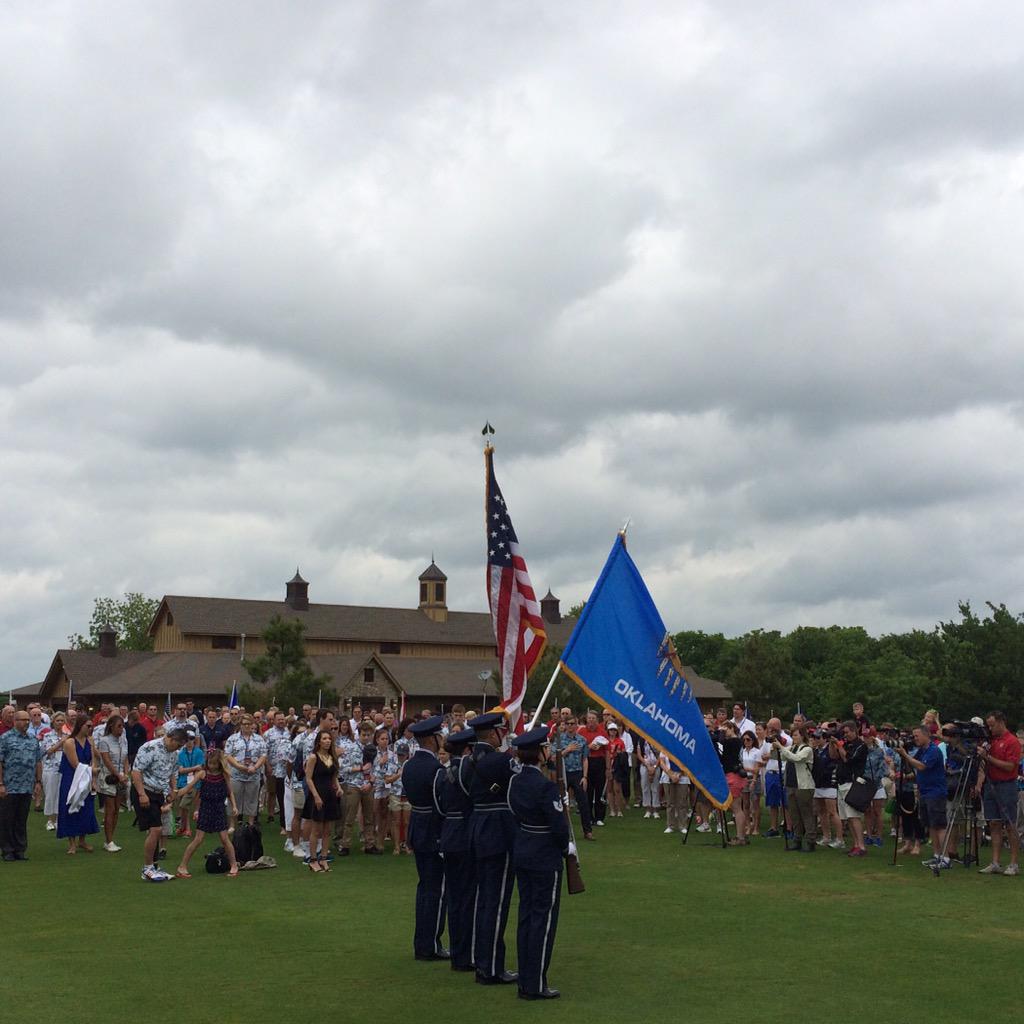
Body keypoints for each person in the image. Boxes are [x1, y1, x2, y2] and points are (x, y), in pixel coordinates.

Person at [508, 725, 572, 1001]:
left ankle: (526, 976)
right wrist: (564, 847)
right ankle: (534, 983)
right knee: (543, 920)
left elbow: (513, 812)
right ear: (540, 753)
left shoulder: (515, 782)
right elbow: (558, 827)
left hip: (523, 850)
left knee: (526, 916)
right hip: (545, 854)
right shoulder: (545, 786)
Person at [461, 711, 518, 985]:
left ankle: (481, 958)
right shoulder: (502, 761)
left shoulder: (465, 762)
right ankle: (491, 967)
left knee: (483, 900)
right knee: (496, 903)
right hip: (498, 831)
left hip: (476, 828)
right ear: (494, 733)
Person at [402, 715, 448, 961]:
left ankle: (422, 942)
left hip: (418, 827)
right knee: (436, 890)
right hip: (433, 830)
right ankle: (429, 944)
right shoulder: (436, 769)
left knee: (425, 887)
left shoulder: (409, 765)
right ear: (432, 739)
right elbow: (441, 806)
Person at [435, 727, 477, 971]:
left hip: (449, 834)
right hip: (465, 834)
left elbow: (440, 805)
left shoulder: (444, 772)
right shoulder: (468, 771)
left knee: (454, 897)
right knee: (467, 897)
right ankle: (465, 955)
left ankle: (458, 952)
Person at [132, 725, 189, 882]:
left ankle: (154, 866)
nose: (178, 748)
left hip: (159, 792)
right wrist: (141, 794)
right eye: (178, 745)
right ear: (171, 738)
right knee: (156, 829)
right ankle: (147, 868)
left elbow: (173, 772)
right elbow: (136, 771)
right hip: (145, 790)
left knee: (156, 829)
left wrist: (174, 789)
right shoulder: (150, 747)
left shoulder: (174, 753)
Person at [175, 748, 239, 879]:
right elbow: (188, 787)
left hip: (219, 808)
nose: (212, 766)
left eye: (215, 763)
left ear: (219, 764)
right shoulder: (202, 774)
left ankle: (234, 865)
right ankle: (182, 866)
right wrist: (174, 795)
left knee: (224, 838)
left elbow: (230, 791)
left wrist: (234, 806)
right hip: (206, 808)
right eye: (210, 763)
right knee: (198, 839)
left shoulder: (224, 775)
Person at [895, 724, 949, 869]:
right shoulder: (922, 751)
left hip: (935, 792)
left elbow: (921, 766)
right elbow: (913, 765)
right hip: (924, 791)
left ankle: (945, 857)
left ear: (926, 735)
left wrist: (905, 755)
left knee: (939, 825)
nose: (915, 739)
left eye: (917, 736)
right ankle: (937, 855)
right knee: (931, 825)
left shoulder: (933, 751)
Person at [977, 711, 1022, 876]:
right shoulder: (991, 741)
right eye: (988, 725)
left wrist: (988, 757)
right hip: (991, 784)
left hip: (1007, 785)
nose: (990, 728)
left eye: (992, 725)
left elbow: (1010, 766)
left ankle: (1013, 863)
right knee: (994, 823)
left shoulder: (1012, 741)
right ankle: (995, 862)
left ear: (1001, 722)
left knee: (1010, 824)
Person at [0, 709, 43, 860]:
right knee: (7, 819)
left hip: (26, 786)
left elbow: (38, 761)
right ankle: (7, 850)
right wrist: (1, 784)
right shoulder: (5, 738)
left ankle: (20, 849)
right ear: (15, 722)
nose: (26, 722)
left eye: (27, 720)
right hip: (10, 786)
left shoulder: (33, 739)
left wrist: (38, 781)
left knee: (21, 819)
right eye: (23, 720)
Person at [57, 714, 98, 854]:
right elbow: (75, 764)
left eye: (92, 726)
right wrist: (92, 770)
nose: (90, 728)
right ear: (80, 726)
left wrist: (93, 780)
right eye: (88, 726)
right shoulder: (69, 742)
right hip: (72, 779)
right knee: (71, 807)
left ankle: (82, 840)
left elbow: (93, 760)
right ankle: (72, 843)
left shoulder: (90, 741)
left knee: (86, 809)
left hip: (86, 778)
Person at [338, 720, 379, 855]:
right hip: (353, 785)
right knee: (350, 817)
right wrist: (360, 768)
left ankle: (369, 844)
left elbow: (377, 769)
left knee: (369, 817)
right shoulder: (350, 748)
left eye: (368, 735)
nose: (366, 737)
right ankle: (345, 845)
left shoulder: (374, 749)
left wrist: (371, 783)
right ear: (358, 734)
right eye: (363, 735)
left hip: (368, 785)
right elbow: (343, 768)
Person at [303, 729, 342, 873]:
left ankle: (324, 857)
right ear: (319, 741)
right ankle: (313, 859)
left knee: (327, 830)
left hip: (330, 795)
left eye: (329, 739)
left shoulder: (332, 757)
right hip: (318, 794)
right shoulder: (313, 757)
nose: (327, 741)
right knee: (316, 830)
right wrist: (316, 796)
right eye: (324, 738)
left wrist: (338, 787)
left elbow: (334, 776)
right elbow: (308, 778)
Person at [549, 715, 593, 839]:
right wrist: (566, 750)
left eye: (572, 723)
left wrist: (585, 776)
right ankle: (560, 831)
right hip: (563, 773)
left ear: (576, 725)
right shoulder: (559, 740)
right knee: (561, 802)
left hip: (577, 773)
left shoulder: (582, 740)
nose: (570, 726)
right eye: (567, 723)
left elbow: (585, 759)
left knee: (583, 802)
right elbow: (553, 758)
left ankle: (587, 831)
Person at [775, 726, 816, 851]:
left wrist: (781, 748)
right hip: (791, 784)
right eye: (792, 735)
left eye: (796, 735)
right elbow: (782, 757)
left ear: (802, 736)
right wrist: (776, 748)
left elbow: (797, 758)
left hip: (804, 785)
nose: (794, 737)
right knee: (794, 814)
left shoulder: (807, 749)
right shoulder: (792, 747)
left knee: (806, 813)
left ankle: (810, 840)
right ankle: (797, 839)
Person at [223, 714, 267, 828]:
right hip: (236, 774)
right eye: (244, 724)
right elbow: (227, 755)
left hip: (253, 774)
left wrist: (256, 767)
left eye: (249, 724)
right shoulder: (233, 738)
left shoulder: (259, 739)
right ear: (240, 725)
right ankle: (232, 825)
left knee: (252, 799)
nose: (247, 726)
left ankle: (250, 824)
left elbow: (263, 755)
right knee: (234, 799)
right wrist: (238, 766)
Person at [833, 720, 868, 857]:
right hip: (841, 782)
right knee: (847, 817)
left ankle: (861, 846)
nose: (845, 735)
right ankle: (855, 844)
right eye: (844, 733)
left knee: (854, 816)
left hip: (852, 783)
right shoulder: (846, 744)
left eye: (847, 732)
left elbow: (848, 758)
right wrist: (834, 745)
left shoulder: (861, 746)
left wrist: (840, 746)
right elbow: (834, 756)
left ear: (855, 731)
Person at [94, 713, 129, 852]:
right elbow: (107, 761)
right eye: (119, 726)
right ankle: (108, 841)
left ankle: (111, 838)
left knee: (117, 810)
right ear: (111, 727)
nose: (121, 729)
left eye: (122, 726)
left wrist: (126, 773)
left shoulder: (124, 741)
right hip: (109, 777)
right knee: (110, 809)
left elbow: (126, 758)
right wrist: (118, 775)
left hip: (121, 777)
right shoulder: (104, 741)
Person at [577, 710, 609, 827]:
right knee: (588, 791)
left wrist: (608, 768)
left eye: (593, 718)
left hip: (599, 762)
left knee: (600, 790)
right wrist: (589, 747)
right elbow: (577, 747)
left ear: (597, 720)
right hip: (587, 762)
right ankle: (589, 816)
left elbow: (607, 751)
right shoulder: (581, 731)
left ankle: (599, 817)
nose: (591, 720)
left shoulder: (602, 732)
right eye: (589, 718)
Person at [263, 710, 292, 830]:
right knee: (272, 792)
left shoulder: (289, 733)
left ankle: (284, 823)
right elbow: (264, 752)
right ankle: (270, 814)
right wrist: (268, 766)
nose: (281, 721)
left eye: (282, 719)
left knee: (284, 796)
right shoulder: (268, 734)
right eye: (278, 719)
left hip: (286, 770)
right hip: (273, 768)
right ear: (274, 720)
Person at [372, 726, 398, 852]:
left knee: (384, 814)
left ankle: (380, 841)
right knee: (372, 813)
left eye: (387, 739)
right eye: (382, 739)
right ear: (377, 740)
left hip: (387, 786)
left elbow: (394, 770)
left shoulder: (393, 754)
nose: (385, 741)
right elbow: (369, 770)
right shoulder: (372, 752)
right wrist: (380, 763)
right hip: (375, 786)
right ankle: (370, 841)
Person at [175, 731, 205, 837]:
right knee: (184, 806)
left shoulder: (199, 752)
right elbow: (180, 770)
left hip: (193, 783)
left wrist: (190, 770)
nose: (189, 741)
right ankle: (184, 827)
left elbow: (200, 768)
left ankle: (185, 828)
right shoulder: (180, 753)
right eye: (187, 739)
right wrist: (194, 768)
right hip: (182, 782)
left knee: (183, 805)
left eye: (191, 738)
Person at [39, 712, 66, 831]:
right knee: (51, 794)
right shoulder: (48, 735)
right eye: (57, 721)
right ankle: (50, 820)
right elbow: (49, 751)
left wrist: (61, 745)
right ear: (53, 722)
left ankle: (59, 819)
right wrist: (61, 743)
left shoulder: (68, 735)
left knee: (61, 794)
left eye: (61, 720)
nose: (60, 723)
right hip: (51, 768)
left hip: (64, 768)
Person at [605, 721, 628, 817]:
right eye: (611, 730)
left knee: (617, 789)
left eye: (614, 730)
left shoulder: (620, 741)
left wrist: (619, 753)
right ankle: (612, 810)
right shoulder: (605, 741)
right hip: (608, 765)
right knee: (609, 788)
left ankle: (619, 809)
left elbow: (624, 754)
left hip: (617, 766)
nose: (612, 731)